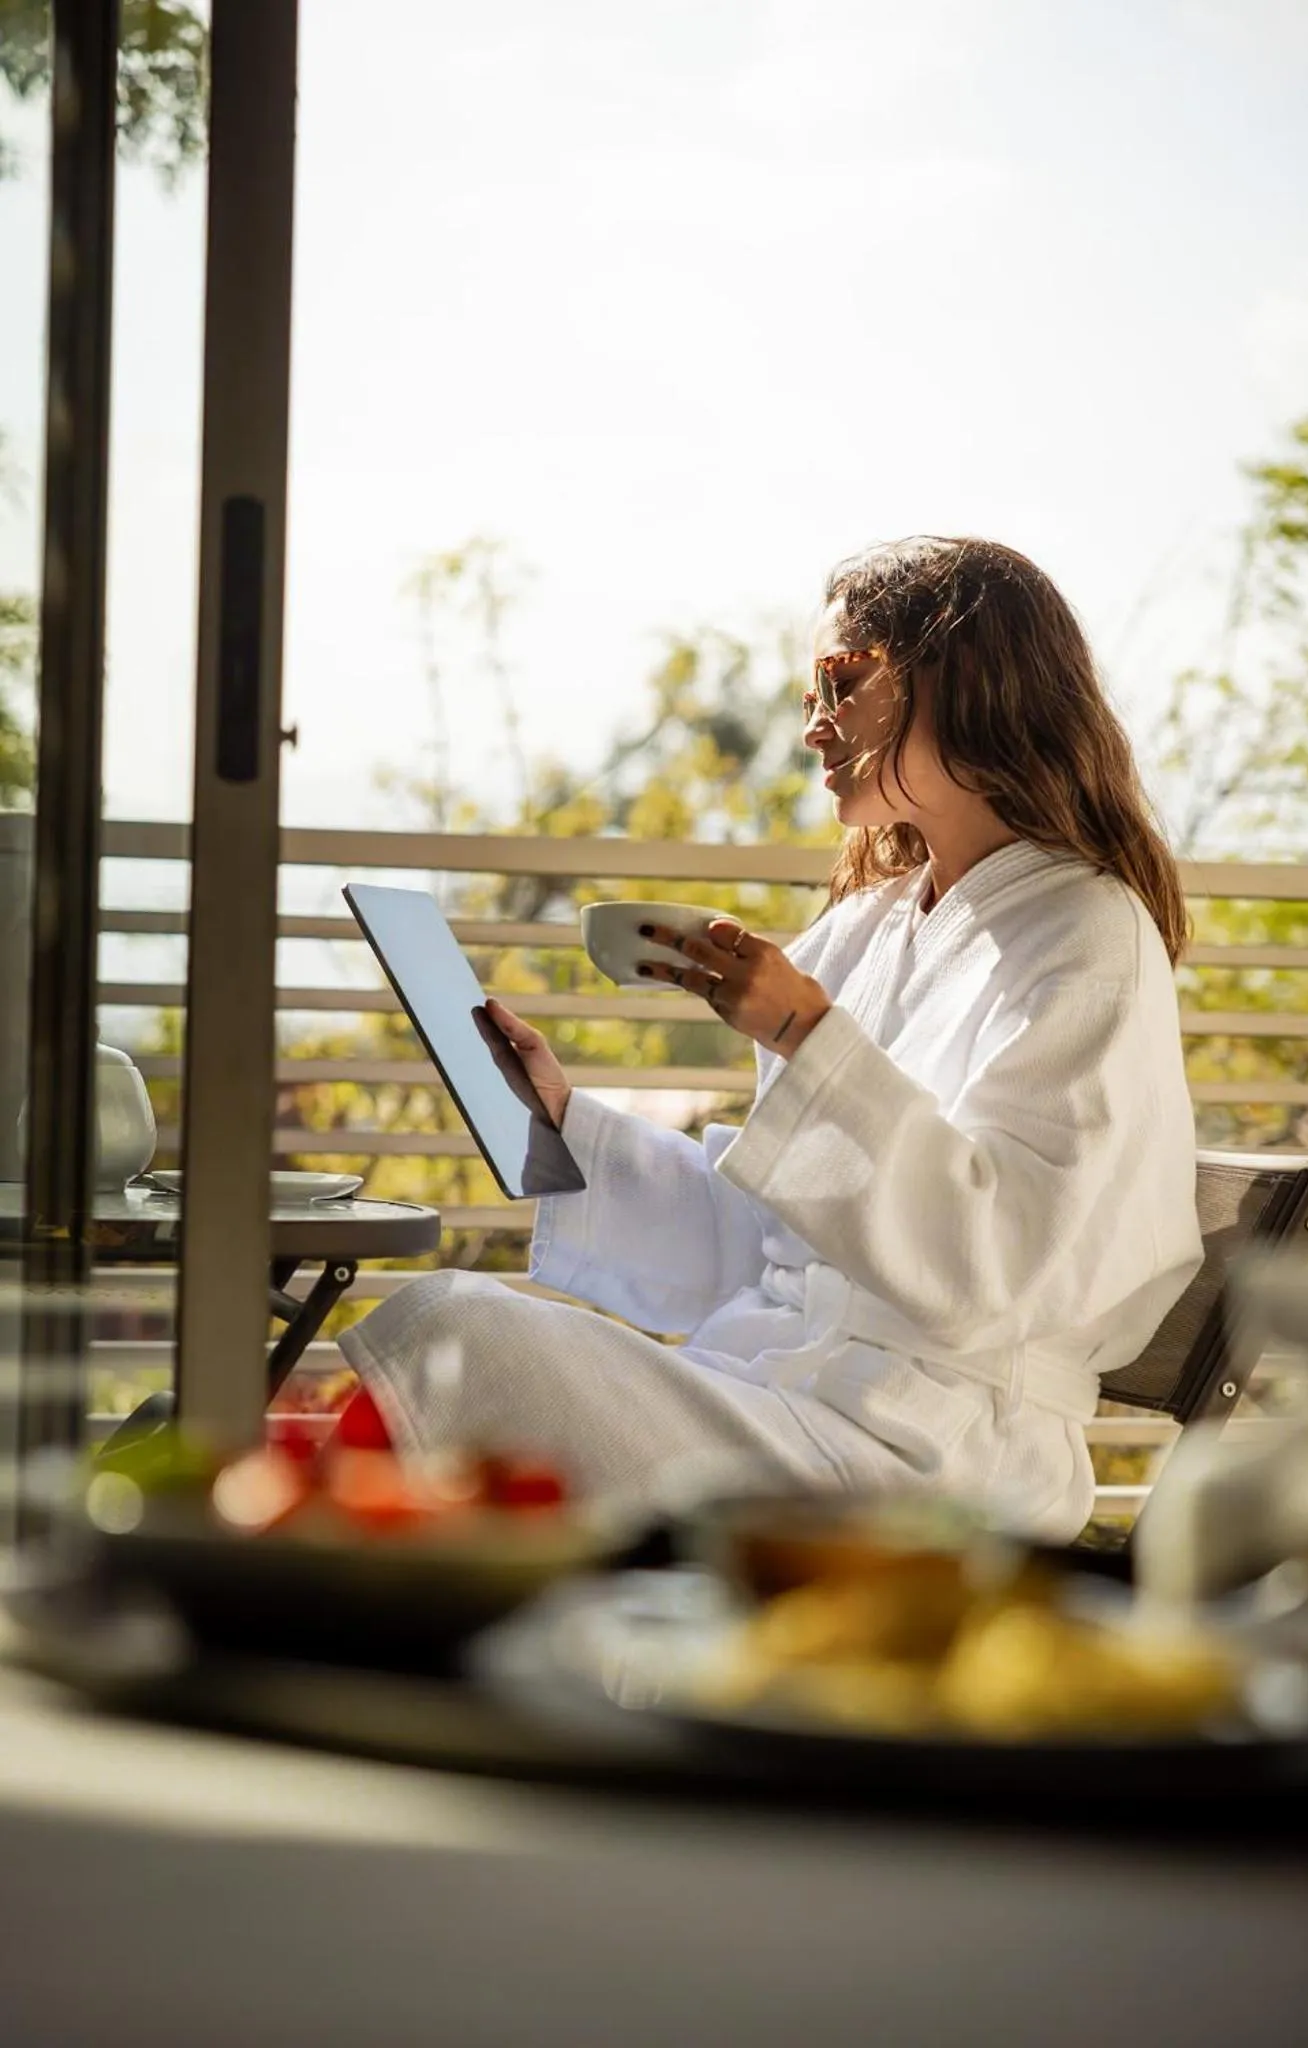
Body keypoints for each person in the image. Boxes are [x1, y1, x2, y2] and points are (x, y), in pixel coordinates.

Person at [339, 537, 1202, 1541]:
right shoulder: (867, 927)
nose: (813, 729)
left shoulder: (1090, 935)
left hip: (936, 1458)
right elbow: (772, 1243)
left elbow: (1001, 1266)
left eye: (841, 682)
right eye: (808, 695)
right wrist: (567, 1121)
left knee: (461, 1334)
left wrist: (804, 1030)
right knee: (464, 1339)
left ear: (965, 680)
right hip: (782, 1399)